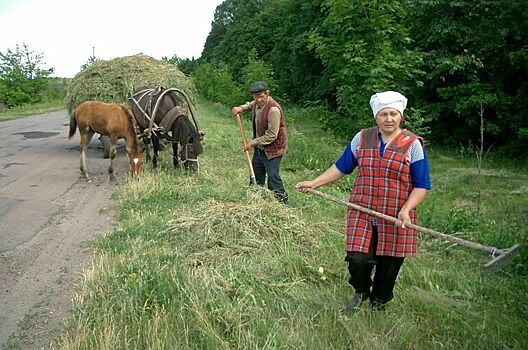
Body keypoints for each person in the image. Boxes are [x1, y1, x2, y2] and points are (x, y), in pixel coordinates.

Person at [296, 91, 431, 310]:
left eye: (394, 114)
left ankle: (379, 301)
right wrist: (314, 183)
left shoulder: (412, 144)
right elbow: (342, 166)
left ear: (401, 117)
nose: (389, 119)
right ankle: (361, 291)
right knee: (358, 259)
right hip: (363, 211)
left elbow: (421, 185)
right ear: (376, 117)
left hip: (396, 215)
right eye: (384, 114)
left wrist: (407, 209)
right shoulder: (362, 138)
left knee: (389, 267)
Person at [232, 81, 289, 203]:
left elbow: (271, 136)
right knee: (256, 174)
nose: (258, 100)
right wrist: (240, 108)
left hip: (274, 149)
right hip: (260, 148)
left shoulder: (273, 110)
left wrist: (252, 143)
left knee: (273, 177)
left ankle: (283, 202)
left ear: (267, 94)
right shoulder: (257, 103)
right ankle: (253, 200)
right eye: (256, 97)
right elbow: (251, 104)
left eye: (261, 96)